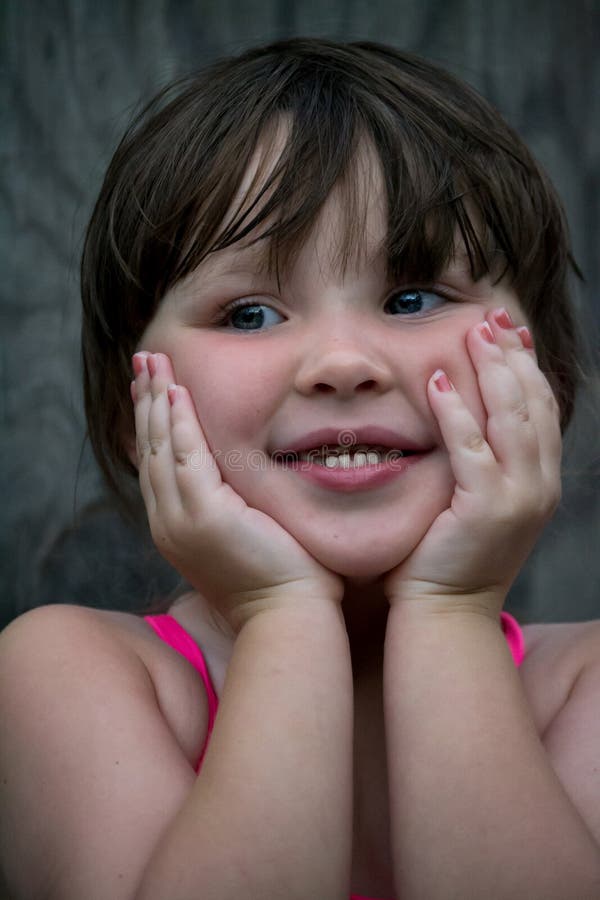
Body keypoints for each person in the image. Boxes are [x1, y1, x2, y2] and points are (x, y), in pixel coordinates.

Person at [0, 36, 599, 900]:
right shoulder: (63, 677)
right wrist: (280, 614)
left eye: (412, 297)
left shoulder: (582, 692)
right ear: (133, 410)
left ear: (540, 375)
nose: (343, 362)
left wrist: (451, 612)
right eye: (248, 313)